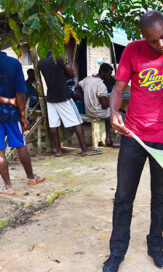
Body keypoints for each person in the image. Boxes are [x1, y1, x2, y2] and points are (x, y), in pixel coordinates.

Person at [102, 10, 163, 272]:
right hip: (132, 136)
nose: (160, 44)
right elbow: (118, 89)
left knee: (159, 196)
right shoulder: (132, 51)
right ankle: (117, 251)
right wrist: (114, 113)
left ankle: (156, 246)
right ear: (143, 37)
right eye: (152, 41)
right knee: (123, 197)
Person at [38, 52, 101, 157]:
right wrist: (67, 66)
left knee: (54, 124)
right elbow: (71, 74)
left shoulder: (40, 63)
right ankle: (84, 149)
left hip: (50, 97)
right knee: (77, 122)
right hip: (63, 95)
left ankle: (58, 150)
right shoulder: (58, 58)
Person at [0, 51, 45, 196]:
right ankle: (31, 178)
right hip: (12, 114)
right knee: (20, 144)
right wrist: (23, 116)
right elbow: (20, 93)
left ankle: (8, 187)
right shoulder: (13, 64)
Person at [75, 63, 117, 146]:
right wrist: (111, 104)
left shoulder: (87, 79)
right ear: (103, 73)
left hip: (88, 111)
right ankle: (114, 139)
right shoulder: (101, 86)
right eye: (108, 75)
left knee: (109, 114)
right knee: (118, 114)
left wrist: (84, 100)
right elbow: (104, 105)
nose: (109, 77)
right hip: (97, 112)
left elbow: (76, 88)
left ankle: (107, 138)